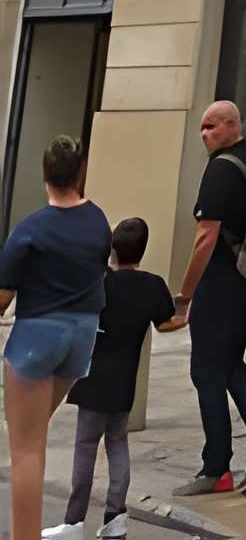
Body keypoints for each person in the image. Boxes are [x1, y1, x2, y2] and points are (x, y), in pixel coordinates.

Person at [170, 100, 246, 498]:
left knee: (206, 370)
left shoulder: (221, 168)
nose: (204, 134)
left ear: (231, 125)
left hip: (222, 279)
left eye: (211, 127)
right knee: (228, 364)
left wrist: (186, 293)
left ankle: (216, 469)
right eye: (202, 128)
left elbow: (206, 236)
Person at [0, 134, 114, 540]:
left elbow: (2, 297)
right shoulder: (98, 221)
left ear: (44, 174)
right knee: (33, 429)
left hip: (37, 338)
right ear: (80, 172)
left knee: (26, 449)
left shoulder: (30, 230)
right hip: (81, 337)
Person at [44, 215, 184, 540]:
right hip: (124, 383)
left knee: (85, 448)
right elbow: (165, 324)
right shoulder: (152, 286)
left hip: (91, 380)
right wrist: (189, 317)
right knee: (118, 443)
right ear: (142, 251)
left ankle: (74, 522)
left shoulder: (98, 281)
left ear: (112, 251)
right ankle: (115, 519)